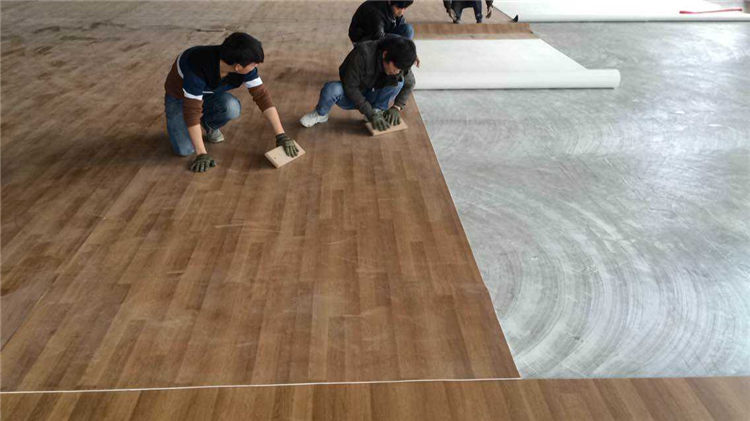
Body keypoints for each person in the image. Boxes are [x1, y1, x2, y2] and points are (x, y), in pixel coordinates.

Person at [164, 32, 298, 173]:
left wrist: (281, 135)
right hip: (180, 97)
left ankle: (209, 124)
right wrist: (201, 153)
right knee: (185, 150)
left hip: (209, 93)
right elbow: (191, 112)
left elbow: (262, 97)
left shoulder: (241, 63)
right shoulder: (196, 68)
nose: (256, 66)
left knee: (231, 107)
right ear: (238, 67)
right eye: (254, 64)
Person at [299, 36, 417, 132]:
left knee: (399, 82)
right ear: (385, 54)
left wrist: (397, 107)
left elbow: (410, 83)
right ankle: (321, 114)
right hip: (354, 94)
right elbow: (350, 87)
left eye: (400, 69)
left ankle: (378, 110)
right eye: (396, 68)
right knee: (331, 89)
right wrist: (369, 113)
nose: (397, 71)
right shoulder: (362, 54)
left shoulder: (400, 61)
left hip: (374, 93)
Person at [348, 0, 415, 44]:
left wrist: (409, 49)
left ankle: (399, 57)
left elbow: (401, 24)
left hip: (383, 31)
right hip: (365, 39)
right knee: (403, 40)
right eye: (398, 8)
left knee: (408, 30)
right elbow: (378, 37)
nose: (401, 12)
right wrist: (403, 42)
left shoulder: (395, 6)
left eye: (404, 8)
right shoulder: (374, 11)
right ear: (389, 1)